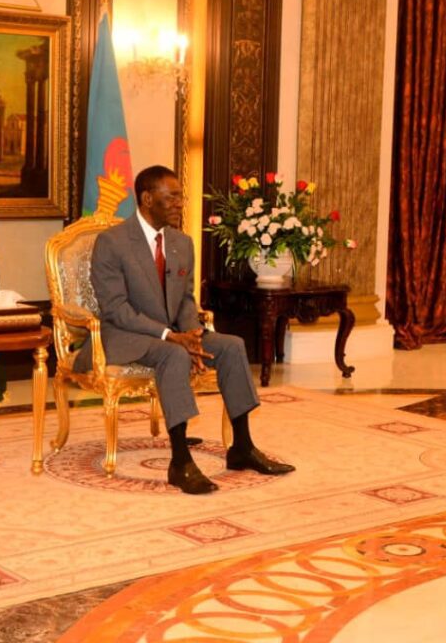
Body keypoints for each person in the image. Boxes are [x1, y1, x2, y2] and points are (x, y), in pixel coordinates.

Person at [77, 165, 295, 494]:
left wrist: (192, 336)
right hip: (125, 335)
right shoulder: (113, 242)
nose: (180, 203)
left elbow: (185, 300)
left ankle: (242, 447)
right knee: (173, 355)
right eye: (172, 197)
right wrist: (171, 337)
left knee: (232, 345)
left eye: (180, 197)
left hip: (175, 333)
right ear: (147, 199)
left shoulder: (182, 242)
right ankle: (180, 461)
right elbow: (116, 309)